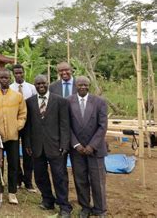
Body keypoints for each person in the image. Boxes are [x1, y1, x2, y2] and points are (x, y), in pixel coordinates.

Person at [24, 75, 72, 217]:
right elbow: (28, 125)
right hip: (36, 146)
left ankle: (64, 206)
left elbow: (65, 125)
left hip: (56, 146)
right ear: (35, 85)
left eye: (43, 83)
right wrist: (27, 143)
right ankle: (47, 200)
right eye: (38, 84)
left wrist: (64, 144)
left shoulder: (60, 101)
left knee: (60, 176)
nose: (41, 86)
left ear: (48, 83)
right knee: (40, 176)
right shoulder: (30, 102)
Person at [69, 76, 107, 218]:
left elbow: (103, 126)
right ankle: (85, 207)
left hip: (95, 150)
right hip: (77, 150)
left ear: (89, 86)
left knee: (98, 181)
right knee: (80, 180)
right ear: (76, 86)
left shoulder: (99, 102)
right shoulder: (68, 101)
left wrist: (92, 145)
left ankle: (100, 209)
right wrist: (76, 145)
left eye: (85, 85)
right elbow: (67, 126)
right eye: (80, 85)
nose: (83, 87)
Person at [0, 69, 27, 205]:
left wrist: (17, 126)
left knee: (13, 164)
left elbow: (22, 113)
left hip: (13, 136)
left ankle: (12, 192)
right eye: (2, 77)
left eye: (6, 77)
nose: (4, 80)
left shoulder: (17, 96)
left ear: (10, 78)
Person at [10, 63, 37, 192]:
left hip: (29, 124)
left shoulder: (32, 88)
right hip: (14, 124)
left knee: (28, 152)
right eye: (16, 73)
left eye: (21, 72)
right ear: (13, 74)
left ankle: (28, 182)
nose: (19, 75)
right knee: (14, 153)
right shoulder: (10, 88)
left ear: (24, 72)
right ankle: (18, 180)